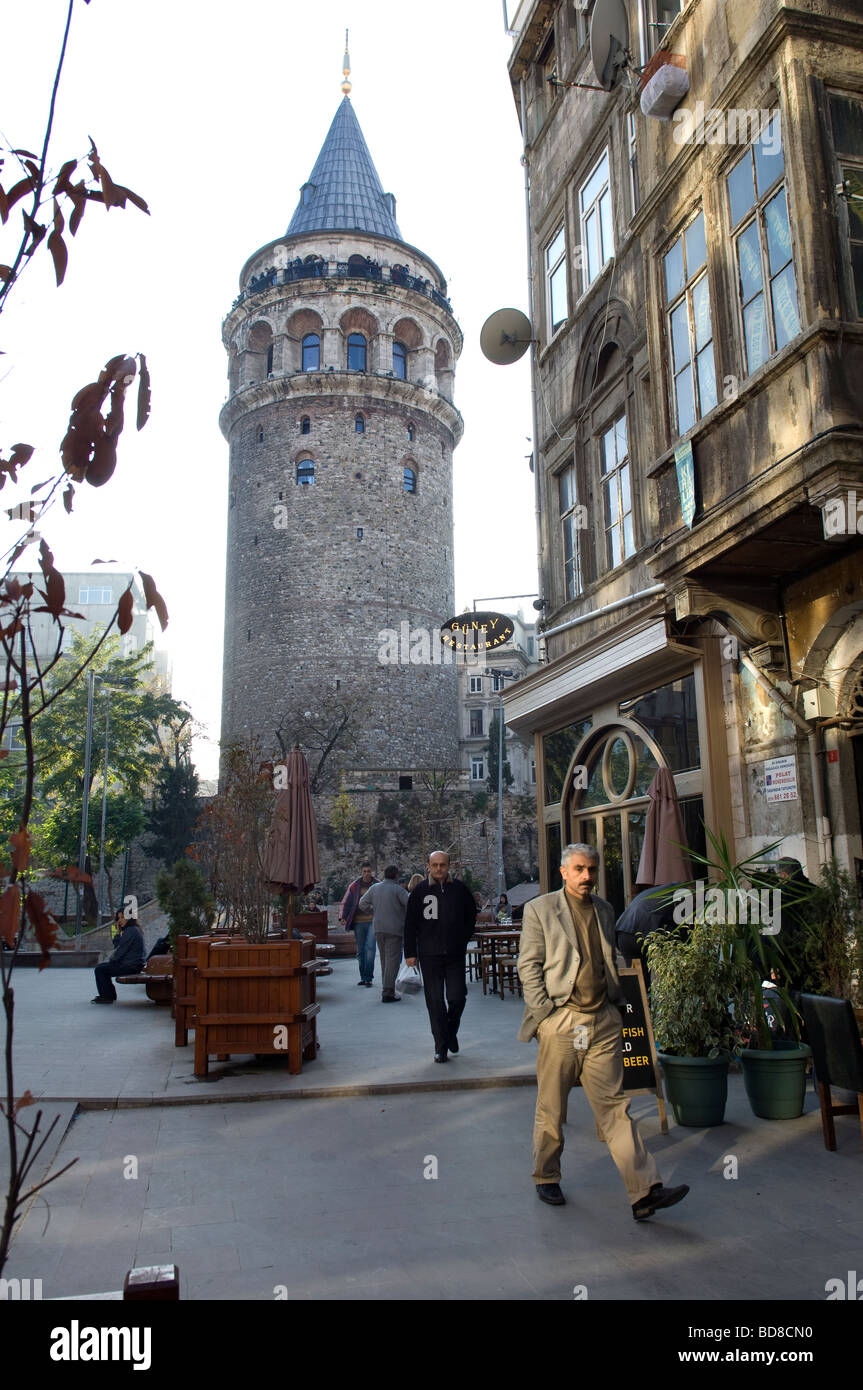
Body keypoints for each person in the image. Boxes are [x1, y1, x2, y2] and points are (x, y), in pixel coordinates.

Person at [517, 843, 689, 1221]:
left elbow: (611, 957)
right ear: (564, 872)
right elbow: (528, 967)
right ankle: (546, 1175)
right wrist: (546, 1016)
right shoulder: (540, 910)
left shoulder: (606, 909)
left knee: (615, 1109)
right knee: (552, 1106)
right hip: (562, 1022)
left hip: (602, 1023)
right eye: (578, 869)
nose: (586, 876)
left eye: (591, 869)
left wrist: (616, 1003)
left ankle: (644, 1190)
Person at [404, 850, 477, 1063]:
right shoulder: (419, 892)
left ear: (449, 865)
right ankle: (441, 1046)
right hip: (429, 955)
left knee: (457, 997)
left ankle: (450, 1032)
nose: (438, 869)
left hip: (454, 954)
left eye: (442, 865)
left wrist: (462, 939)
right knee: (435, 1001)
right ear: (428, 866)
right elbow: (409, 924)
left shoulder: (460, 890)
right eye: (434, 865)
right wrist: (410, 952)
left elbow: (471, 916)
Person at [359, 866, 409, 1002]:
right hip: (395, 928)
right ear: (396, 876)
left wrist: (374, 912)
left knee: (384, 959)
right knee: (393, 960)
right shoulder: (398, 890)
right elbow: (410, 905)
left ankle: (386, 988)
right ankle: (388, 992)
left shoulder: (375, 888)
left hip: (378, 927)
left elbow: (362, 904)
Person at [340, 862, 378, 987]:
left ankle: (368, 978)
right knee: (361, 950)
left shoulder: (378, 884)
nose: (367, 873)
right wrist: (342, 916)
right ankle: (363, 976)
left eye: (369, 871)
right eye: (364, 871)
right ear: (361, 872)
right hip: (358, 922)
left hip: (373, 921)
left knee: (371, 949)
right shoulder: (354, 886)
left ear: (372, 872)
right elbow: (346, 902)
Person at [91, 916, 145, 1004]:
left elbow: (121, 950)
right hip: (132, 964)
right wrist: (117, 932)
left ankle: (107, 996)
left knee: (100, 970)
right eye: (118, 918)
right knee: (102, 967)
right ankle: (109, 995)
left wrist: (112, 961)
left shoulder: (131, 931)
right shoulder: (130, 930)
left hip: (131, 965)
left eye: (122, 917)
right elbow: (117, 945)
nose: (120, 920)